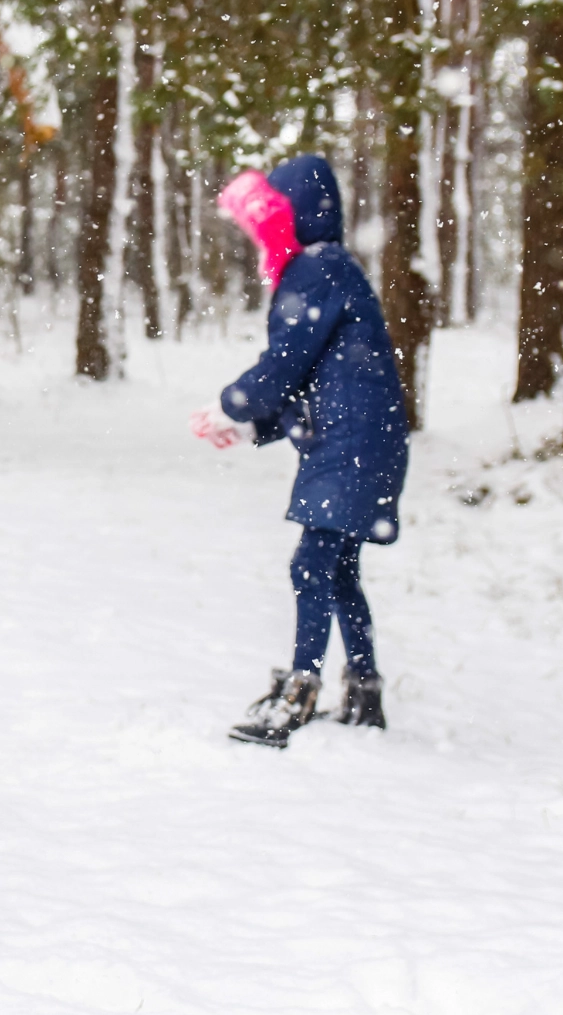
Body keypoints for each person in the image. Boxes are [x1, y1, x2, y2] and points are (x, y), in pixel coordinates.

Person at [188, 154, 411, 749]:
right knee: (337, 570)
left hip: (353, 443)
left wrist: (231, 405)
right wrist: (250, 426)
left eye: (263, 224)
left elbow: (285, 364)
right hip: (363, 439)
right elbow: (310, 376)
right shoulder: (329, 268)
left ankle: (300, 690)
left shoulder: (318, 268)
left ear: (291, 218)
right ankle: (364, 689)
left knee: (311, 566)